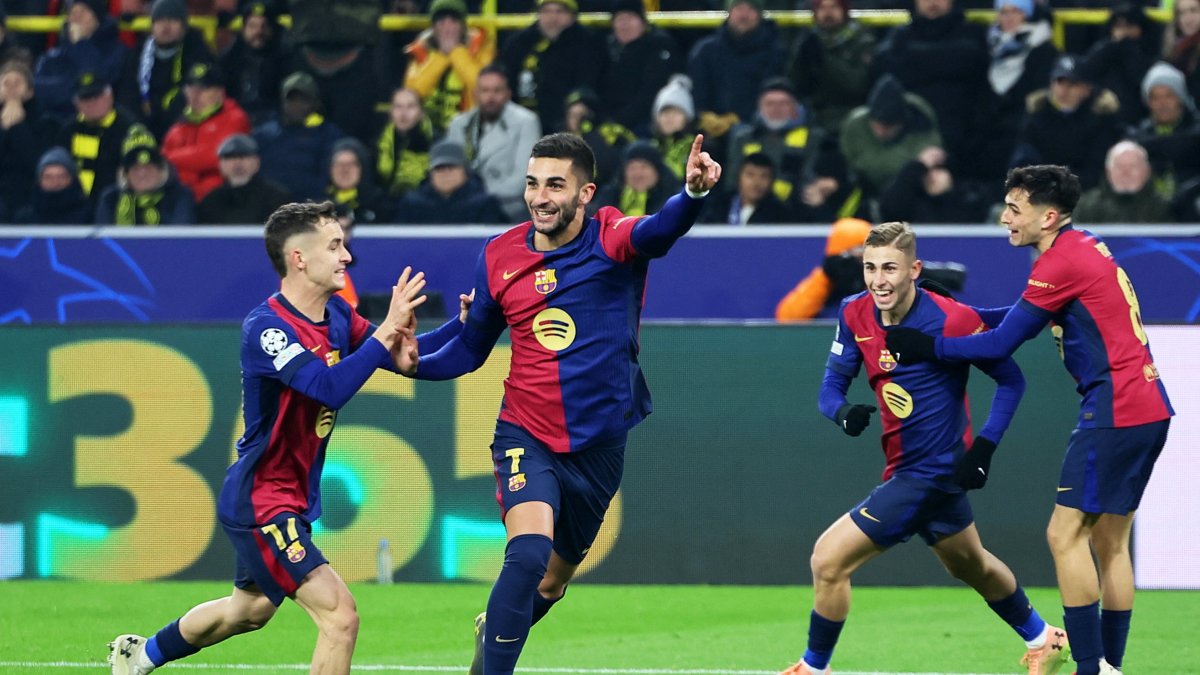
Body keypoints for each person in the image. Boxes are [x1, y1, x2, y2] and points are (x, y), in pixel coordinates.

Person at [106, 200, 462, 675]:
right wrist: (385, 337)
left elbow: (400, 353)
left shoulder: (337, 314)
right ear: (299, 258)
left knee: (248, 611)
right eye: (335, 246)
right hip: (261, 499)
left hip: (289, 498)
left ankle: (141, 656)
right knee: (340, 617)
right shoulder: (267, 328)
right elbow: (327, 385)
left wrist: (468, 322)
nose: (346, 258)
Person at [409, 132, 720, 675]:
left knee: (552, 582)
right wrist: (401, 361)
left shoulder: (610, 236)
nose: (540, 197)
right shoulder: (499, 253)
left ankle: (496, 627)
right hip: (526, 432)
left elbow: (658, 231)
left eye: (556, 184)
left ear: (585, 194)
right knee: (528, 554)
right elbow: (468, 347)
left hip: (599, 444)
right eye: (532, 184)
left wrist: (691, 196)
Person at [885, 165, 1174, 675]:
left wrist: (929, 345)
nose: (1004, 219)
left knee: (1064, 536)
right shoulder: (1083, 246)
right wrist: (959, 309)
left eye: (1016, 209)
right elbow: (1022, 314)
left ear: (1050, 215)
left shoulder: (1059, 262)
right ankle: (1108, 666)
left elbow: (1002, 342)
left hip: (1115, 408)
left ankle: (1090, 668)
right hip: (1149, 406)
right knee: (1109, 542)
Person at [780, 221, 1067, 675]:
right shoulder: (855, 312)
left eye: (890, 268)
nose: (878, 280)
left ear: (914, 269)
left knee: (828, 559)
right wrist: (842, 412)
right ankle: (1043, 637)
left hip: (929, 472)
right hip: (907, 467)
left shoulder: (950, 319)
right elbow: (830, 387)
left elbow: (1011, 379)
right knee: (970, 565)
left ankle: (814, 668)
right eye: (870, 268)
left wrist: (984, 448)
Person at [774, 217, 871, 322]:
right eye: (858, 249)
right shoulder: (824, 280)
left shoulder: (874, 281)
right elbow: (788, 318)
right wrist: (826, 276)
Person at [196, 133, 291, 225]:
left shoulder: (277, 197)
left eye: (243, 157)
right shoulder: (211, 201)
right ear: (220, 165)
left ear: (257, 162)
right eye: (230, 157)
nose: (237, 163)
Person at [1073, 140, 1172, 224]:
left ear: (1146, 171)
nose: (1125, 173)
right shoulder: (1085, 207)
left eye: (1132, 166)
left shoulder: (1164, 208)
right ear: (1108, 171)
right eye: (1119, 167)